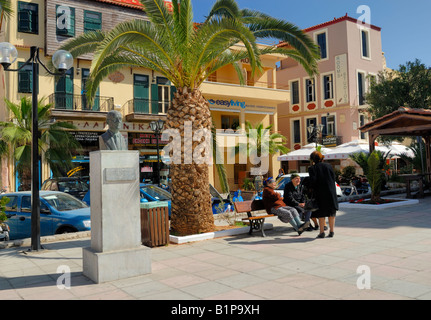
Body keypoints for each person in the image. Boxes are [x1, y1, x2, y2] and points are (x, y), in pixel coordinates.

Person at [308, 151, 338, 238]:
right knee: (331, 213)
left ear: (312, 159)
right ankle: (331, 231)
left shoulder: (312, 168)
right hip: (331, 192)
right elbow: (333, 178)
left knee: (321, 213)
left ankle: (322, 232)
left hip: (320, 193)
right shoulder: (329, 166)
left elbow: (313, 181)